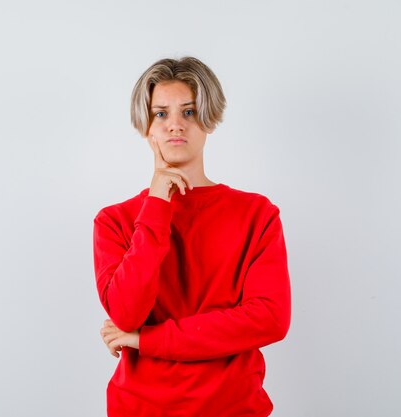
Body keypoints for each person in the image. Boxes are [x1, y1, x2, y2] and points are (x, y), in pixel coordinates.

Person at [92, 56, 292, 417]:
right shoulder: (114, 220)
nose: (174, 126)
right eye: (161, 114)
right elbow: (126, 312)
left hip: (233, 408)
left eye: (188, 112)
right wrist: (156, 205)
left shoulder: (257, 214)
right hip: (139, 408)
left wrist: (146, 340)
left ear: (209, 119)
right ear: (145, 126)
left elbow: (270, 319)